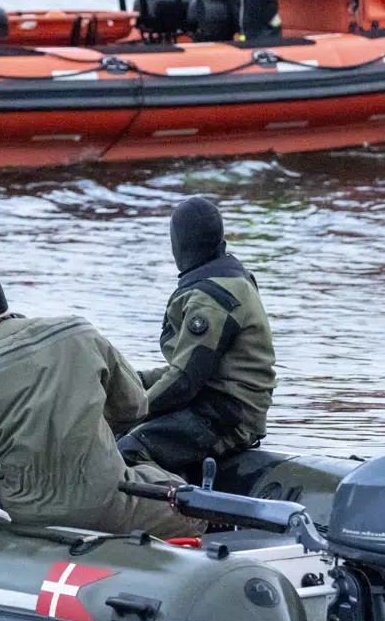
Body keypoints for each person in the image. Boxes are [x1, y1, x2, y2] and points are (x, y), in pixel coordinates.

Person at [0, 260, 205, 538]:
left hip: (29, 516)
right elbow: (134, 407)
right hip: (109, 502)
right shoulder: (78, 332)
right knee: (190, 507)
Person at [118, 197, 276, 480]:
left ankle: (169, 515)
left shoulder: (210, 300)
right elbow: (198, 369)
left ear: (178, 244)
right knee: (132, 398)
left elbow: (184, 382)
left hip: (228, 415)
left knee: (129, 448)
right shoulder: (228, 278)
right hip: (218, 401)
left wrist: (132, 409)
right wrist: (132, 380)